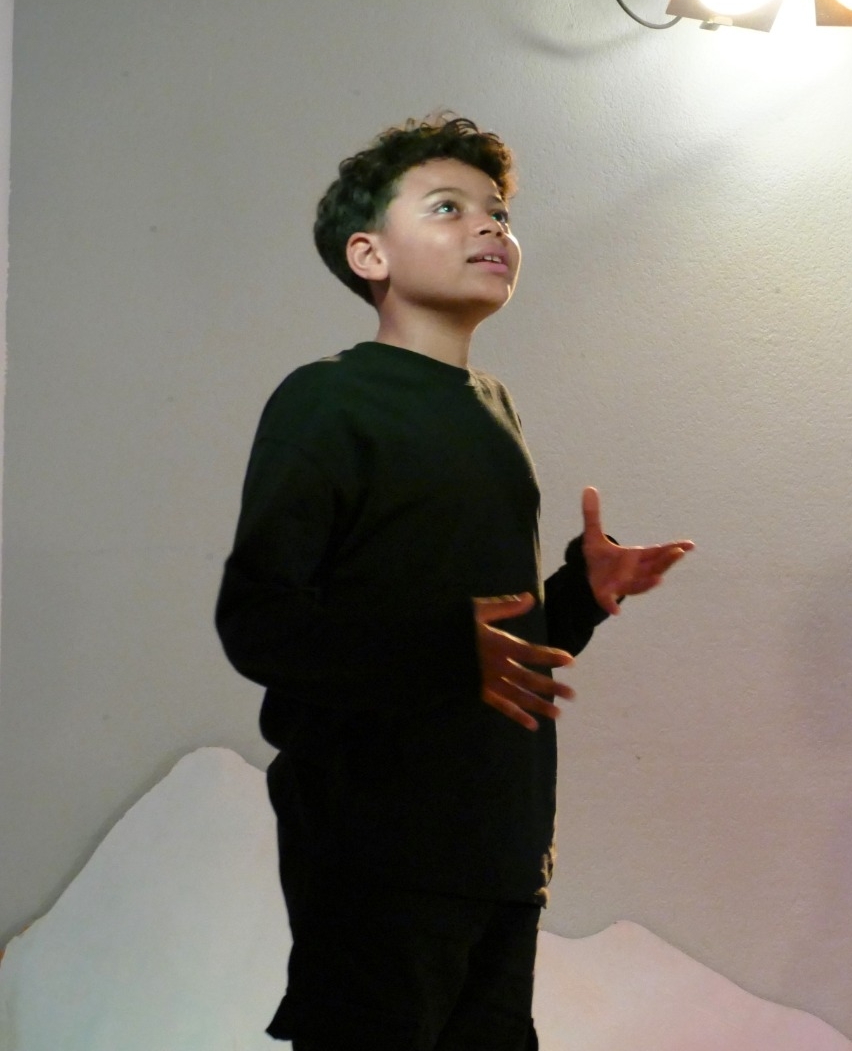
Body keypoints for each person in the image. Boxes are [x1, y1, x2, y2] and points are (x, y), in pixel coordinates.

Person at [215, 114, 693, 1051]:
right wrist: (445, 652)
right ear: (369, 254)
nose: (489, 226)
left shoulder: (493, 407)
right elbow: (259, 622)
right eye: (447, 207)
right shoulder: (326, 400)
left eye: (498, 212)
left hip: (500, 840)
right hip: (375, 840)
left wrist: (581, 595)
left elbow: (493, 647)